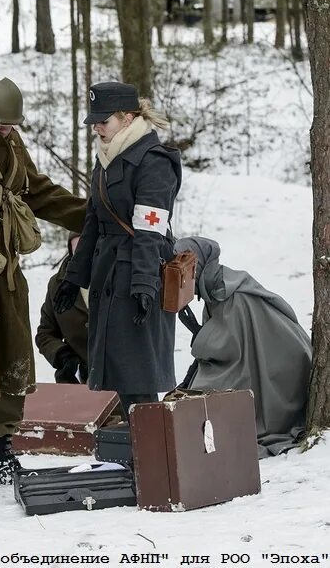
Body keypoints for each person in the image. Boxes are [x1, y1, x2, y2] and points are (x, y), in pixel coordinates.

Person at [0, 75, 87, 486]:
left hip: (5, 268)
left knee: (12, 356)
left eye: (11, 124)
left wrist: (90, 215)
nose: (5, 130)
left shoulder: (9, 142)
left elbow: (35, 190)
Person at [54, 81, 182, 420]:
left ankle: (153, 455)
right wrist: (73, 277)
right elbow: (93, 222)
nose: (96, 127)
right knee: (118, 373)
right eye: (94, 121)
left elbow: (149, 230)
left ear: (127, 117)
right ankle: (136, 453)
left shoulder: (154, 161)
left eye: (103, 120)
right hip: (109, 273)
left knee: (138, 374)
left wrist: (143, 285)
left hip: (139, 269)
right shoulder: (107, 156)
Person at [174, 237, 310, 458]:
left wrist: (199, 336)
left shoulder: (230, 293)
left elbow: (224, 349)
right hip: (251, 362)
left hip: (280, 376)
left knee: (202, 400)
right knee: (193, 396)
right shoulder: (217, 288)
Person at [36, 234, 89, 385]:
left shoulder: (117, 281)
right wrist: (63, 355)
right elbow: (45, 334)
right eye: (76, 247)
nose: (82, 252)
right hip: (74, 383)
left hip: (117, 385)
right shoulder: (57, 285)